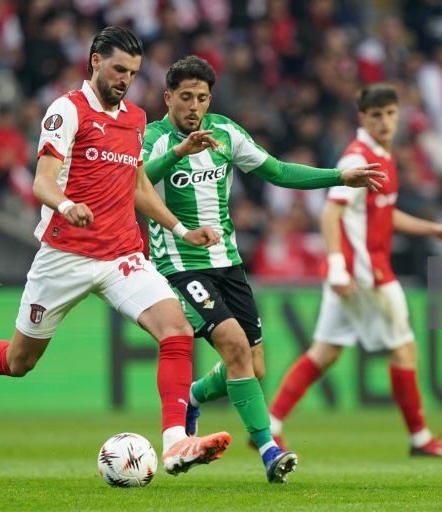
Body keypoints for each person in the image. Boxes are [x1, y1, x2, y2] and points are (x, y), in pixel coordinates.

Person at [0, 26, 232, 476]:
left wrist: (180, 229)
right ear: (95, 61)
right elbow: (42, 181)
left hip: (121, 256)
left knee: (176, 330)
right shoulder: (66, 110)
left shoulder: (135, 118)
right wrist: (66, 202)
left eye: (132, 73)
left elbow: (136, 187)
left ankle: (175, 442)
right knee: (20, 362)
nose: (124, 79)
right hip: (65, 255)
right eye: (118, 69)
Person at [140, 56, 385, 483]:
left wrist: (339, 176)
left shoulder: (225, 132)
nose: (194, 106)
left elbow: (277, 171)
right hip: (179, 266)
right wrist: (181, 151)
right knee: (234, 345)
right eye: (185, 98)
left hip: (228, 264)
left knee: (254, 365)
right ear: (168, 99)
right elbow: (134, 182)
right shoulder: (156, 138)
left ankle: (195, 396)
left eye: (201, 98)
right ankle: (270, 450)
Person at [268, 83, 442, 459]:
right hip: (365, 273)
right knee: (405, 349)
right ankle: (420, 438)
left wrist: (433, 229)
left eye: (390, 114)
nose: (384, 121)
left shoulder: (383, 155)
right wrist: (338, 267)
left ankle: (270, 426)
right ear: (363, 117)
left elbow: (382, 212)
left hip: (352, 273)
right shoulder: (357, 159)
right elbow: (332, 212)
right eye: (376, 115)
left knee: (324, 352)